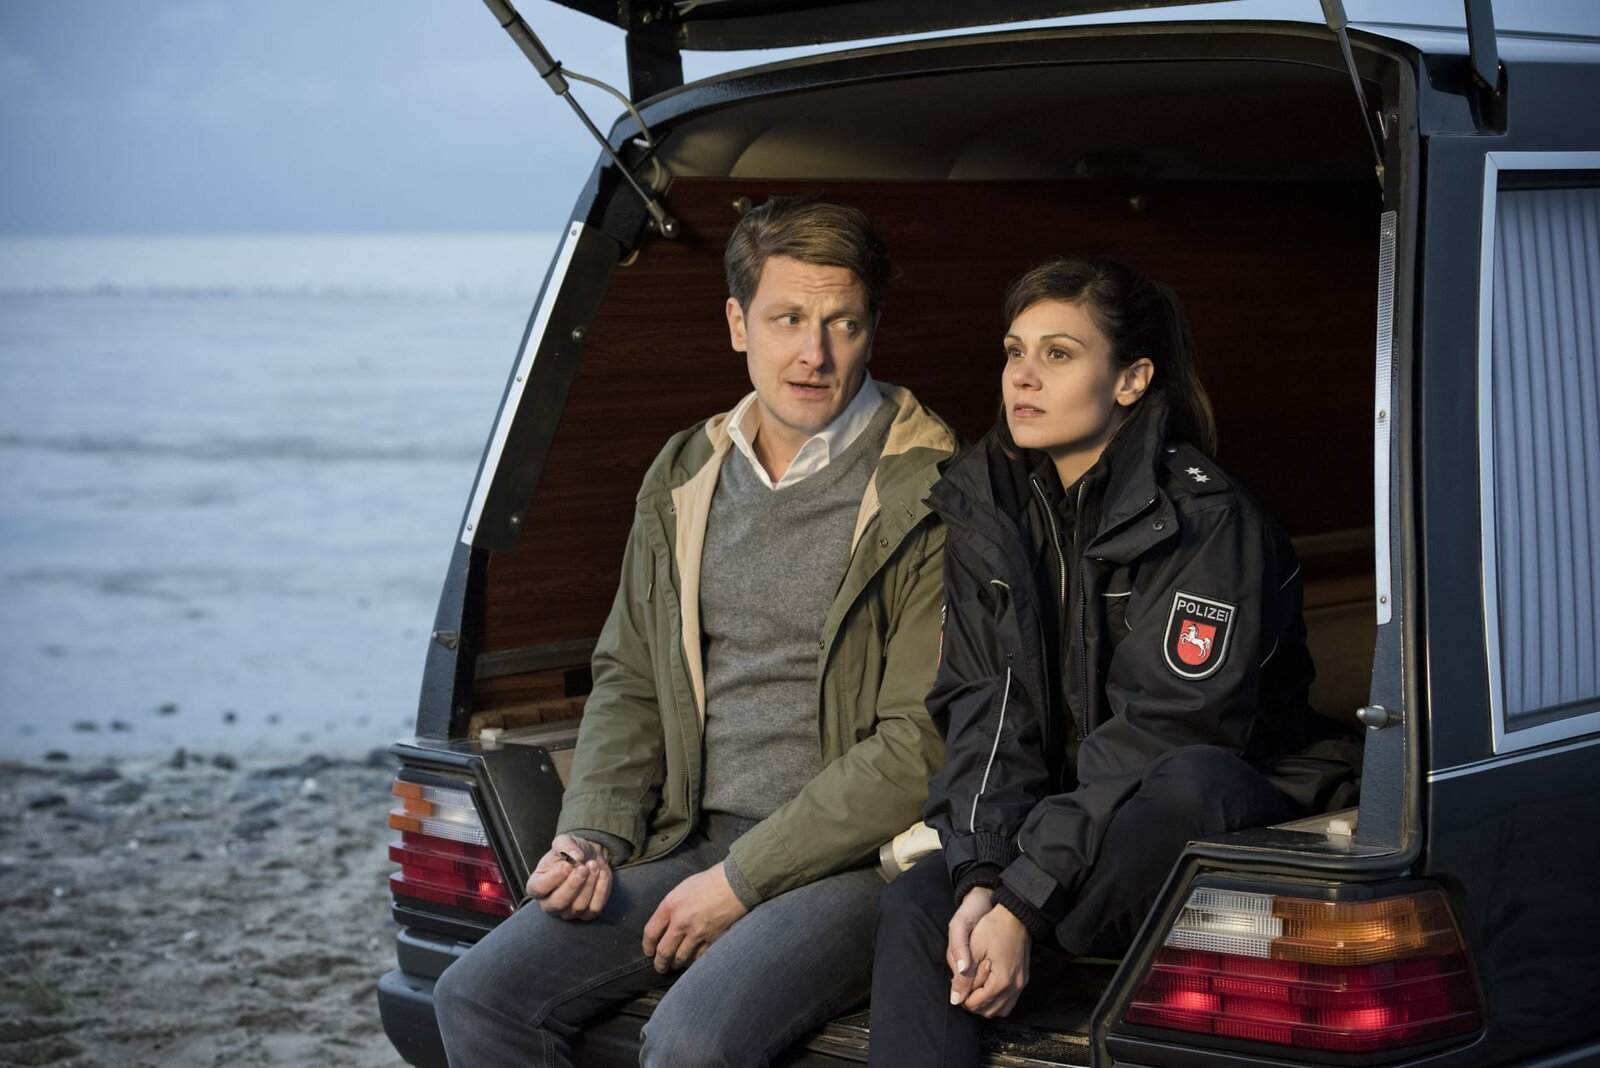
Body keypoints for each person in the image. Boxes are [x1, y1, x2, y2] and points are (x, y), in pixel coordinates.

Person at [433, 196, 960, 1067]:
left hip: (858, 866)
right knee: (477, 997)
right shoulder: (685, 471)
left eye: (842, 323)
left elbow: (918, 745)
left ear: (873, 330)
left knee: (690, 1043)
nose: (815, 353)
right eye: (787, 319)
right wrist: (592, 834)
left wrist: (741, 883)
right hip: (693, 838)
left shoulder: (936, 490)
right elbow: (632, 678)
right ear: (737, 323)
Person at [867, 257, 1359, 1065]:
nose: (1023, 377)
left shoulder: (1206, 521)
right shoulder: (988, 511)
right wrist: (984, 876)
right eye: (1014, 351)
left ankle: (1029, 950)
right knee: (923, 902)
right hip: (1075, 821)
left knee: (1189, 783)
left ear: (1131, 380)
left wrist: (1022, 906)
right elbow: (986, 716)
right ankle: (1012, 955)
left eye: (1058, 354)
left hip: (1212, 806)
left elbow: (1165, 733)